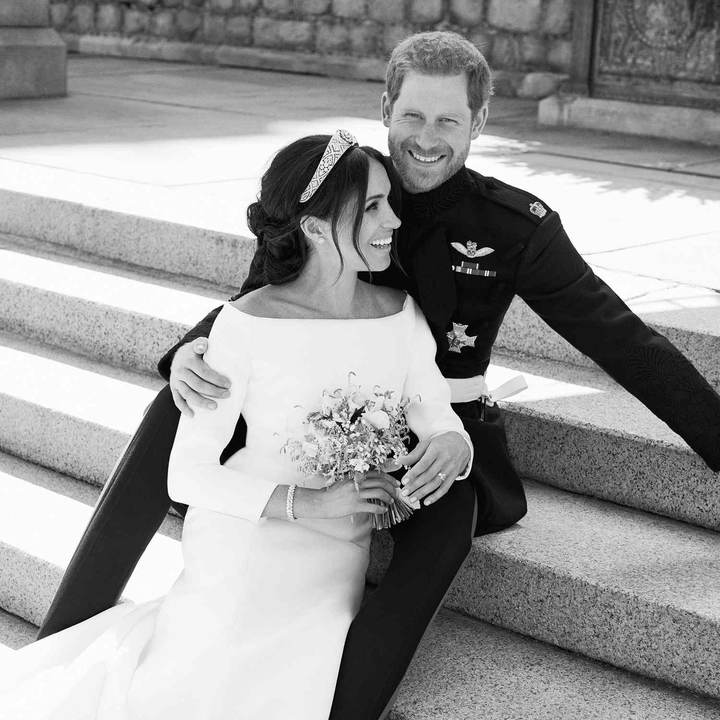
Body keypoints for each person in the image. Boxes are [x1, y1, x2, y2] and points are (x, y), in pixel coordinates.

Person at [38, 31, 720, 720]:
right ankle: (60, 643)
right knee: (174, 407)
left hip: (434, 424)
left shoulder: (514, 226)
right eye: (412, 115)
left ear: (480, 121)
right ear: (386, 108)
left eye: (449, 119)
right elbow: (265, 300)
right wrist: (191, 351)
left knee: (450, 514)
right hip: (313, 420)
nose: (426, 138)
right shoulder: (339, 187)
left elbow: (623, 341)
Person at [0, 132, 473, 719]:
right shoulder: (245, 325)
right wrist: (309, 502)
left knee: (295, 679)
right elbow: (187, 474)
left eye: (388, 202)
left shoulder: (401, 314)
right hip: (244, 540)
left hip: (335, 557)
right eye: (373, 206)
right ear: (315, 227)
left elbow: (434, 410)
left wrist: (453, 443)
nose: (394, 220)